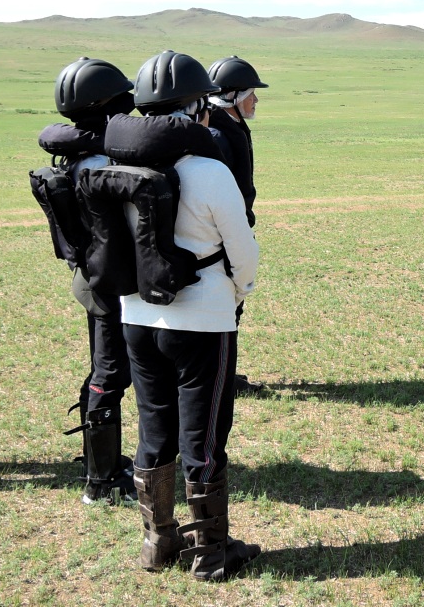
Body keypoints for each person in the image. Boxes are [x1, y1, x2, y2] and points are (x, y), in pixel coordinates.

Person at [117, 50, 261, 579]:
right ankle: (210, 554)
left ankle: (159, 543)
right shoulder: (208, 170)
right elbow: (243, 250)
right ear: (200, 106)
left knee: (154, 430)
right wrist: (238, 292)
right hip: (202, 322)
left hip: (136, 316)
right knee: (202, 437)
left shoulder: (118, 168)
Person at [35, 57, 138, 504]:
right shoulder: (98, 163)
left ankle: (104, 463)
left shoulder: (75, 156)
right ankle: (103, 480)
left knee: (104, 368)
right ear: (104, 108)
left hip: (92, 278)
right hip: (108, 283)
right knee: (110, 373)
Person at [207, 55, 269, 393]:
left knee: (233, 307)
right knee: (225, 308)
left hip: (235, 230)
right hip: (224, 235)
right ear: (232, 96)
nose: (256, 99)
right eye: (251, 93)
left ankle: (225, 374)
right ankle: (220, 379)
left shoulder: (229, 126)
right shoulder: (218, 133)